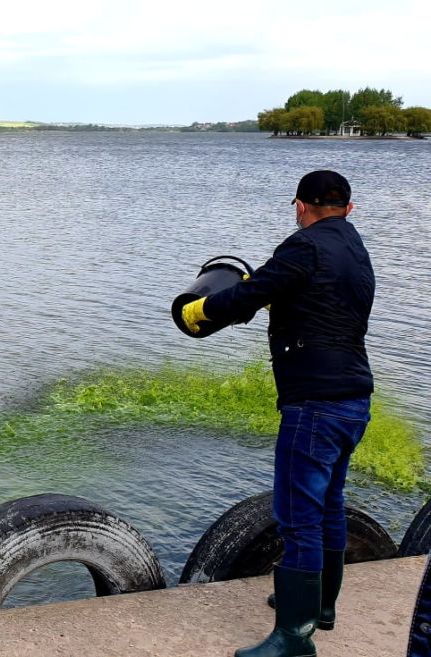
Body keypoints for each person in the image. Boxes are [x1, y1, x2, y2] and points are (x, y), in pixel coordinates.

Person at [180, 170, 375, 657]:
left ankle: (293, 637)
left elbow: (249, 293)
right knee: (329, 505)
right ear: (347, 208)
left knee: (298, 518)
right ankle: (319, 608)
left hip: (314, 404)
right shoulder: (356, 250)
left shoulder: (304, 247)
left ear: (300, 205)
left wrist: (195, 312)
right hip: (354, 400)